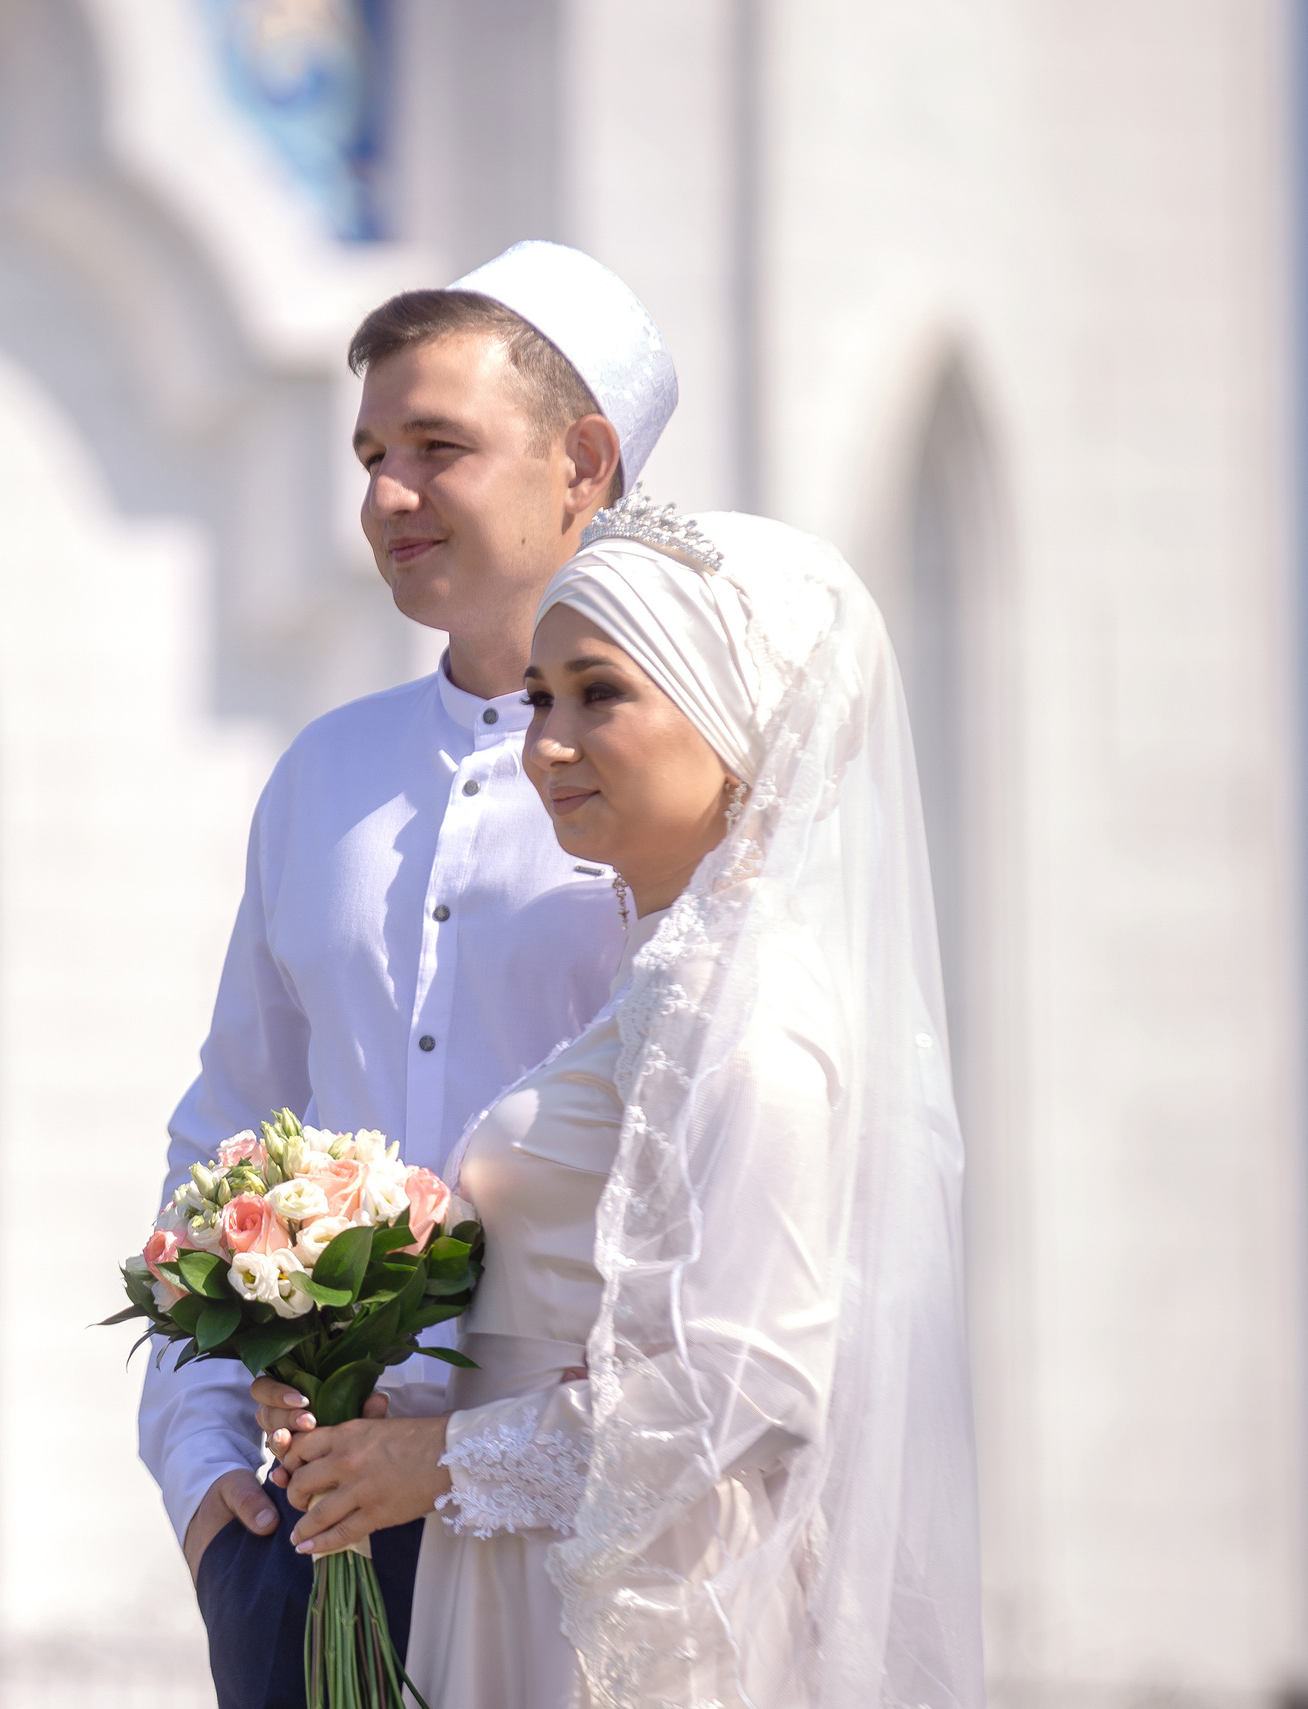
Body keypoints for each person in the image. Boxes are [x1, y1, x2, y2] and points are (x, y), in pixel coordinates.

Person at [265, 499, 987, 1705]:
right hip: (530, 1570)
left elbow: (743, 1384)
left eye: (599, 693)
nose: (546, 740)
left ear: (738, 724)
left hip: (631, 1618)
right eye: (539, 697)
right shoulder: (668, 973)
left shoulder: (752, 1005)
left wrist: (437, 1461)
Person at [136, 241, 679, 1708]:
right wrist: (203, 1497)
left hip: (597, 1541)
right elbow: (227, 1127)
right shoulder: (324, 774)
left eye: (437, 448)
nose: (385, 496)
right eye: (370, 452)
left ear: (583, 461)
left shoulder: (686, 782)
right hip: (317, 1554)